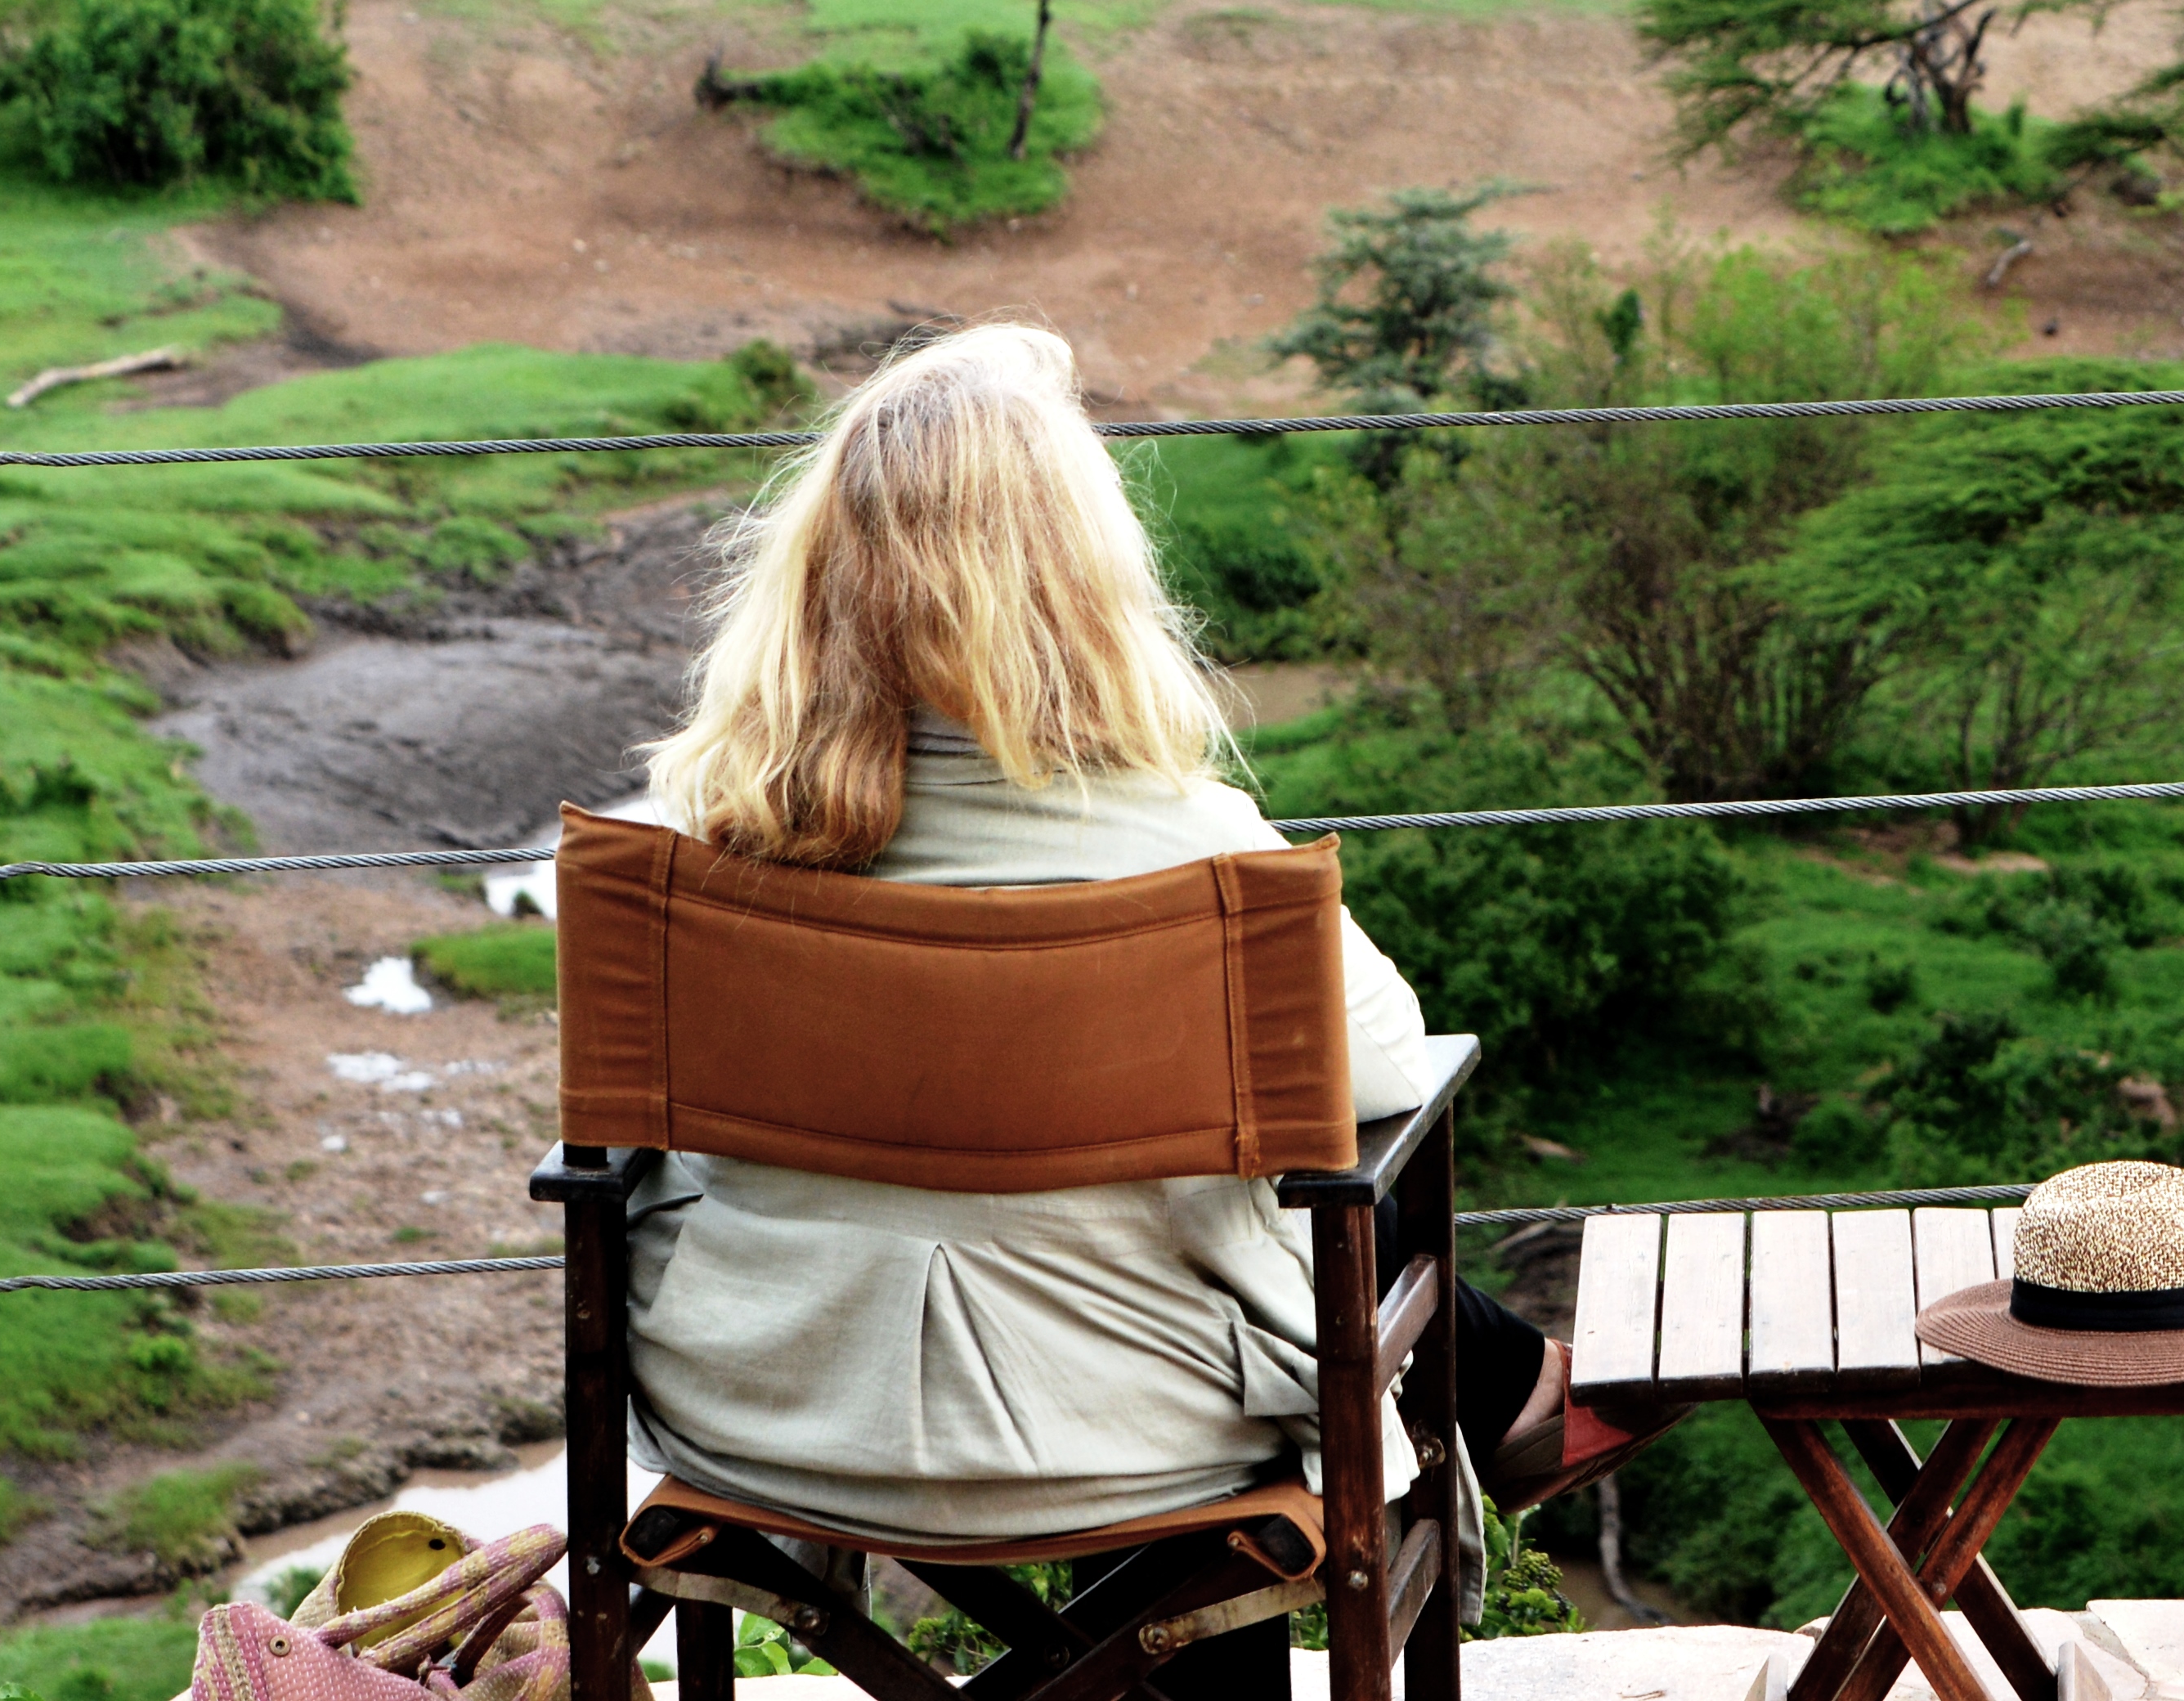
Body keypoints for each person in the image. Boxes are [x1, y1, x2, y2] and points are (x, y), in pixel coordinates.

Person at [620, 323, 1563, 1573]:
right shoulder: (1191, 842)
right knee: (1236, 1219)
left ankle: (1530, 1388)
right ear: (1079, 577)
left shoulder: (697, 849)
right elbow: (1391, 1068)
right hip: (1137, 1434)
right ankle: (1530, 1391)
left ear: (814, 576)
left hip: (761, 1418)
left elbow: (618, 1141)